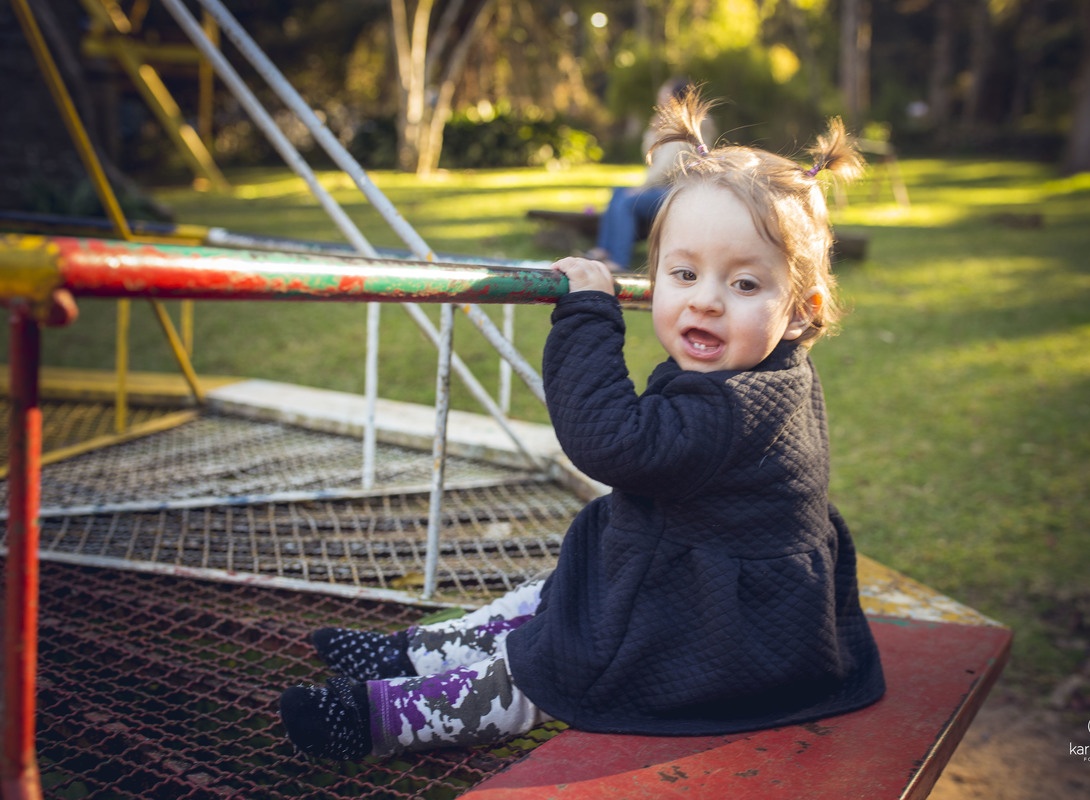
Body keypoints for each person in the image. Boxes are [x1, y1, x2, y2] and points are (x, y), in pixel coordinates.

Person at [279, 88, 886, 761]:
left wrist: (589, 314)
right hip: (736, 595)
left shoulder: (734, 405)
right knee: (560, 590)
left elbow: (609, 438)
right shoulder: (769, 372)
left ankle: (396, 716)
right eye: (683, 273)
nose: (707, 301)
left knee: (562, 655)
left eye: (745, 285)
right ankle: (422, 652)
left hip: (719, 634)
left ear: (803, 309)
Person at [585, 77, 711, 272]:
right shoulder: (671, 123)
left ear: (677, 99)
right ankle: (605, 250)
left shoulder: (691, 124)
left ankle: (619, 260)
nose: (660, 101)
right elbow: (651, 157)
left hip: (680, 192)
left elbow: (666, 168)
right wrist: (654, 132)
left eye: (664, 96)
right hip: (666, 188)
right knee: (618, 191)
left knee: (628, 201)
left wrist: (642, 188)